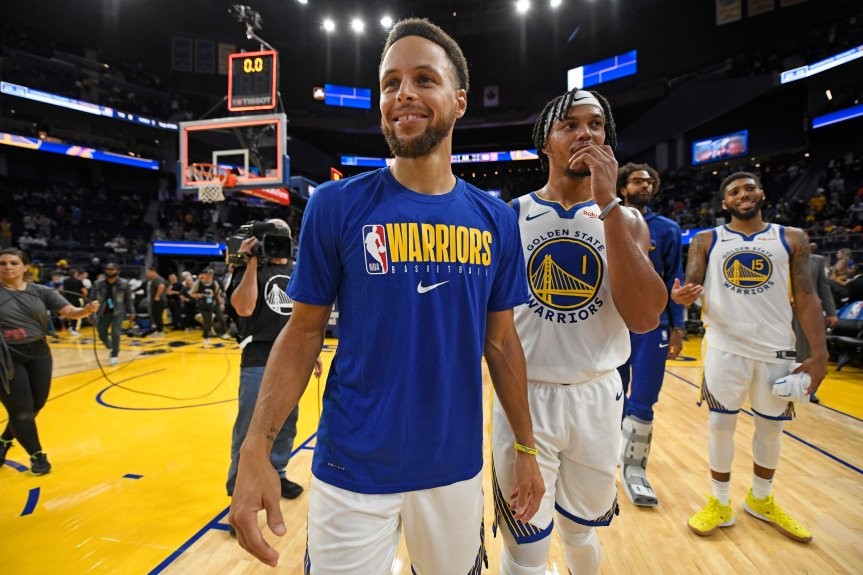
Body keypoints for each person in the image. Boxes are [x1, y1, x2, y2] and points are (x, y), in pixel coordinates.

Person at [228, 17, 544, 573]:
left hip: (453, 467)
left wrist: (526, 449)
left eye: (424, 79)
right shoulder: (334, 205)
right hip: (351, 467)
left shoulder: (495, 220)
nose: (404, 94)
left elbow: (501, 345)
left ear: (459, 101)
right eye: (391, 82)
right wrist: (256, 447)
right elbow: (301, 334)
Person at [492, 89, 666, 575]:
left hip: (598, 394)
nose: (584, 133)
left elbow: (646, 317)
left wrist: (608, 203)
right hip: (525, 396)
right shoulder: (509, 216)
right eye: (568, 124)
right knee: (525, 546)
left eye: (595, 124)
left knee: (581, 531)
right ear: (543, 143)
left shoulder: (627, 219)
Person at [672, 171, 827, 543]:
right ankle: (720, 502)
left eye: (749, 188)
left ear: (761, 194)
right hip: (726, 346)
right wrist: (681, 298)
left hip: (776, 347)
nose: (743, 194)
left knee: (771, 428)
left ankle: (761, 499)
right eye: (734, 191)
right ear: (725, 202)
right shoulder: (706, 240)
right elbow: (690, 287)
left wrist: (820, 353)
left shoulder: (792, 237)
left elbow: (806, 297)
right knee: (721, 425)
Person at [224, 220, 323, 511]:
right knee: (250, 427)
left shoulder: (297, 271)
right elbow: (243, 308)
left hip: (292, 357)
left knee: (286, 423)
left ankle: (277, 474)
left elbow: (301, 321)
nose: (279, 240)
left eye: (284, 235)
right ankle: (239, 490)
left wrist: (311, 352)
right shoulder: (246, 269)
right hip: (258, 355)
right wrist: (252, 262)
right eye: (272, 236)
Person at [614, 162, 685, 507]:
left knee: (644, 395)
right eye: (636, 180)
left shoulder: (668, 229)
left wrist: (678, 325)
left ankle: (634, 468)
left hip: (652, 324)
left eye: (648, 181)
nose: (643, 185)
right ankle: (607, 452)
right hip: (610, 321)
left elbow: (676, 280)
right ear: (623, 187)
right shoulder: (604, 219)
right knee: (610, 393)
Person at [0, 248, 100, 474]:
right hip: (5, 356)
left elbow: (70, 312)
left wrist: (86, 310)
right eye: (3, 263)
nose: (7, 267)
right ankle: (37, 456)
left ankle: (4, 441)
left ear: (25, 267)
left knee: (36, 404)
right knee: (22, 409)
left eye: (13, 262)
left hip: (38, 352)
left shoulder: (41, 291)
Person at [794, 243, 837, 404]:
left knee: (810, 351)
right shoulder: (779, 259)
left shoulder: (817, 261)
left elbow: (823, 288)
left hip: (809, 312)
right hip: (783, 312)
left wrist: (831, 312)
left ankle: (809, 390)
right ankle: (785, 385)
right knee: (784, 351)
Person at [91, 262, 134, 367]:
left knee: (115, 333)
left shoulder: (124, 283)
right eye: (108, 269)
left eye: (112, 269)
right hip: (103, 311)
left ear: (117, 271)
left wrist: (131, 312)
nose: (109, 271)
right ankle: (111, 347)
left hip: (118, 311)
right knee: (101, 333)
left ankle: (114, 355)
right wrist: (90, 313)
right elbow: (92, 298)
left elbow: (128, 299)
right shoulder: (98, 283)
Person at [190, 268, 228, 346]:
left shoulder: (215, 283)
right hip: (204, 305)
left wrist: (221, 304)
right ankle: (206, 337)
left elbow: (218, 295)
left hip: (214, 304)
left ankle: (223, 333)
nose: (209, 276)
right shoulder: (198, 283)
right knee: (207, 322)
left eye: (210, 275)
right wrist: (199, 295)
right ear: (203, 275)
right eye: (207, 275)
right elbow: (191, 294)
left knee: (221, 318)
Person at [145, 267, 167, 337]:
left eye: (148, 272)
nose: (147, 274)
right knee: (156, 316)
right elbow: (167, 285)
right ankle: (158, 330)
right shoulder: (157, 279)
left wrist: (157, 296)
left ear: (153, 271)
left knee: (157, 316)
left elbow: (161, 286)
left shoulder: (157, 278)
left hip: (158, 301)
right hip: (158, 300)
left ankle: (160, 331)